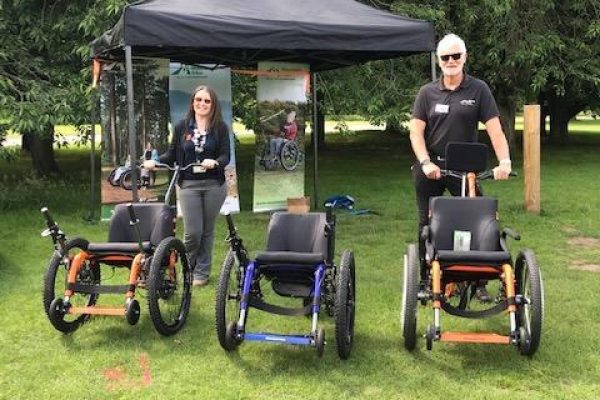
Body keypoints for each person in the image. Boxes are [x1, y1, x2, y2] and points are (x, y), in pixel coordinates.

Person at [409, 33, 512, 302]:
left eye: (456, 56)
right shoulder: (427, 93)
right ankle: (425, 279)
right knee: (426, 223)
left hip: (465, 169)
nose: (451, 61)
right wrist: (425, 162)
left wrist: (504, 161)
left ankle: (478, 281)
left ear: (464, 57)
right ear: (439, 60)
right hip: (431, 166)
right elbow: (415, 133)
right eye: (446, 57)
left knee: (478, 220)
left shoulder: (479, 90)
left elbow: (495, 130)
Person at [145, 85, 230, 287]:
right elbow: (172, 153)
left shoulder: (220, 127)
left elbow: (226, 155)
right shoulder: (182, 127)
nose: (202, 104)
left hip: (214, 185)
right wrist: (156, 162)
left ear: (213, 104)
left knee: (207, 231)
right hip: (188, 184)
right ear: (193, 102)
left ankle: (202, 272)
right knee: (193, 232)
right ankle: (187, 266)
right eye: (198, 99)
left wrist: (215, 162)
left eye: (207, 101)